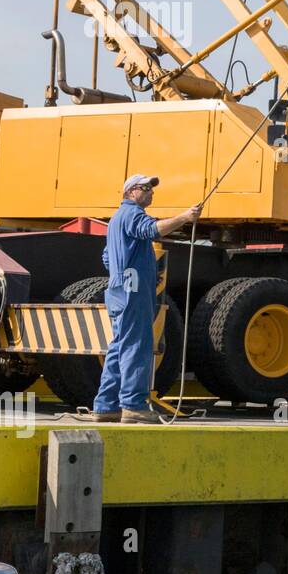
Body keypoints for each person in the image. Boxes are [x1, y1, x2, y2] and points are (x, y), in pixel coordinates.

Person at [91, 175, 200, 424]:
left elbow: (107, 257)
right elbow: (152, 229)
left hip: (120, 290)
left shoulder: (116, 220)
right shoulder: (132, 214)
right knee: (136, 347)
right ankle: (133, 405)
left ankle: (106, 405)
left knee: (119, 347)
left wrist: (122, 271)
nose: (151, 192)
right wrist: (185, 217)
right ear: (130, 192)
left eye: (152, 189)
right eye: (145, 188)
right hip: (134, 290)